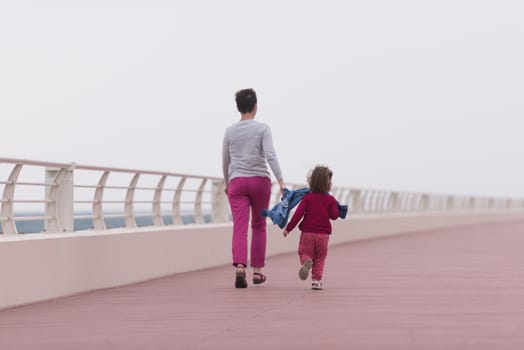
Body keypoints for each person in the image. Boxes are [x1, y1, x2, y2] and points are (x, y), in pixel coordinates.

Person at [222, 88, 285, 288]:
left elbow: (226, 160)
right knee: (258, 225)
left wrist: (227, 181)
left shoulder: (229, 131)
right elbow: (270, 155)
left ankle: (240, 267)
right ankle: (257, 272)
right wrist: (281, 181)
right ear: (255, 106)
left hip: (237, 182)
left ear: (238, 108)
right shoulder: (263, 129)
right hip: (259, 181)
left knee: (240, 226)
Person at [283, 165, 340, 290]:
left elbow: (298, 215)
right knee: (320, 257)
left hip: (307, 233)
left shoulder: (307, 198)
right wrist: (335, 205)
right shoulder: (330, 200)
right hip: (323, 235)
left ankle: (306, 261)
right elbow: (335, 216)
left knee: (304, 252)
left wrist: (288, 228)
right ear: (327, 184)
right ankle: (316, 281)